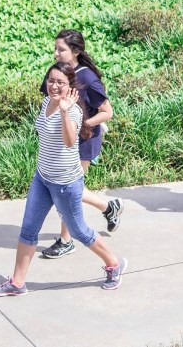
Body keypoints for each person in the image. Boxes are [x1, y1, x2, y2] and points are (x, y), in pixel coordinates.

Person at [0, 61, 127, 296]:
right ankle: (17, 283)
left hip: (66, 184)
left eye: (60, 82)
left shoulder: (72, 111)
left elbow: (70, 141)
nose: (54, 86)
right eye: (51, 80)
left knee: (79, 231)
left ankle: (114, 263)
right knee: (28, 229)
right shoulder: (45, 102)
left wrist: (64, 110)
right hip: (42, 178)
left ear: (70, 86)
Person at [39, 29, 123, 259]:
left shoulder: (86, 77)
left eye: (61, 49)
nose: (56, 53)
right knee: (70, 190)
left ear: (76, 51)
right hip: (61, 141)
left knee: (68, 191)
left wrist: (82, 124)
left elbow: (107, 112)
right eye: (55, 49)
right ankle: (108, 207)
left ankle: (66, 240)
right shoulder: (58, 74)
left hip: (84, 141)